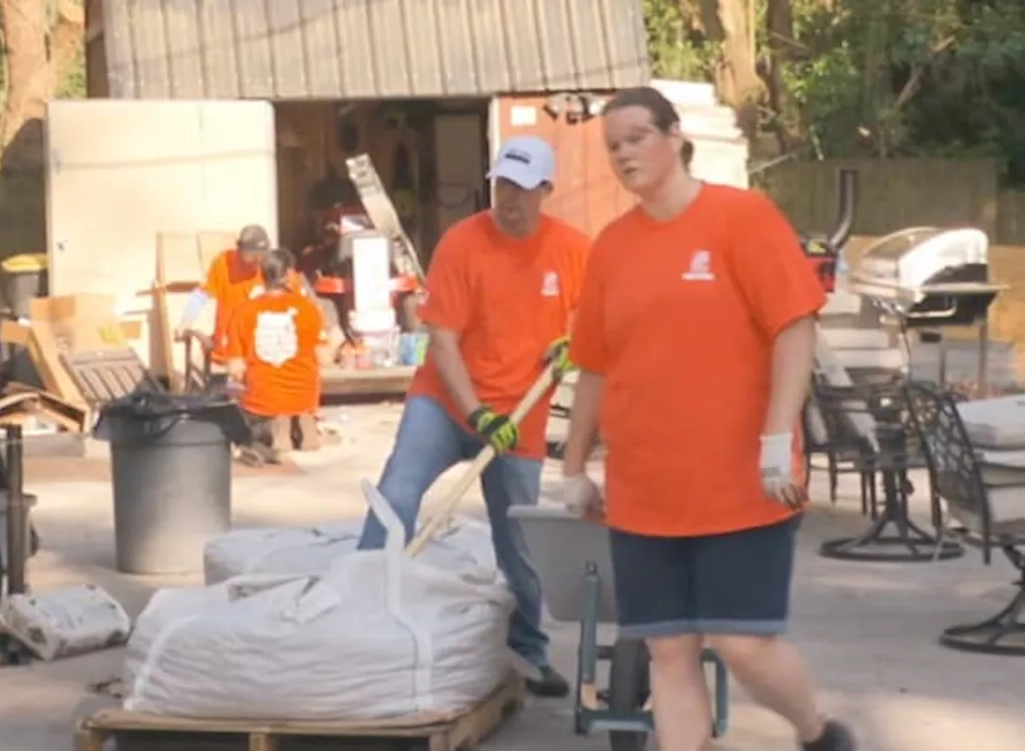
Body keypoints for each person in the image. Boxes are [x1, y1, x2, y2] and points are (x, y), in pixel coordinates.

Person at [560, 86, 855, 751]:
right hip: (644, 491)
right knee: (669, 651)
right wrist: (575, 465)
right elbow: (595, 368)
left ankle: (819, 733)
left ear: (675, 137)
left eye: (637, 137)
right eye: (613, 146)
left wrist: (779, 434)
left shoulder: (740, 220)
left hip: (741, 486)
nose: (624, 153)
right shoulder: (611, 247)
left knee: (742, 642)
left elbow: (795, 325)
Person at [356, 135, 589, 698]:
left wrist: (575, 342)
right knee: (398, 495)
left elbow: (595, 315)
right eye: (502, 185)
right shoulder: (463, 244)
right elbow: (443, 341)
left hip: (521, 416)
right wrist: (476, 413)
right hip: (445, 402)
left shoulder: (575, 249)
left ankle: (529, 651)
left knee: (521, 540)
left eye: (522, 189)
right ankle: (359, 624)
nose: (509, 199)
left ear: (546, 192)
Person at [223, 249, 327, 453]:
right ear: (289, 274)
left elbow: (235, 368)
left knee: (247, 403)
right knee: (301, 395)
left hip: (263, 401)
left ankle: (278, 425)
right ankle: (303, 422)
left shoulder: (243, 312)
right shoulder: (309, 308)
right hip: (304, 395)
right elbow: (324, 357)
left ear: (262, 275)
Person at [175, 225, 307, 369]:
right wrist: (186, 321)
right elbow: (200, 296)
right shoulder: (224, 263)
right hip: (228, 353)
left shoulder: (272, 267)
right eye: (252, 255)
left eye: (261, 255)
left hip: (263, 356)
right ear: (240, 250)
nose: (258, 260)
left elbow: (301, 299)